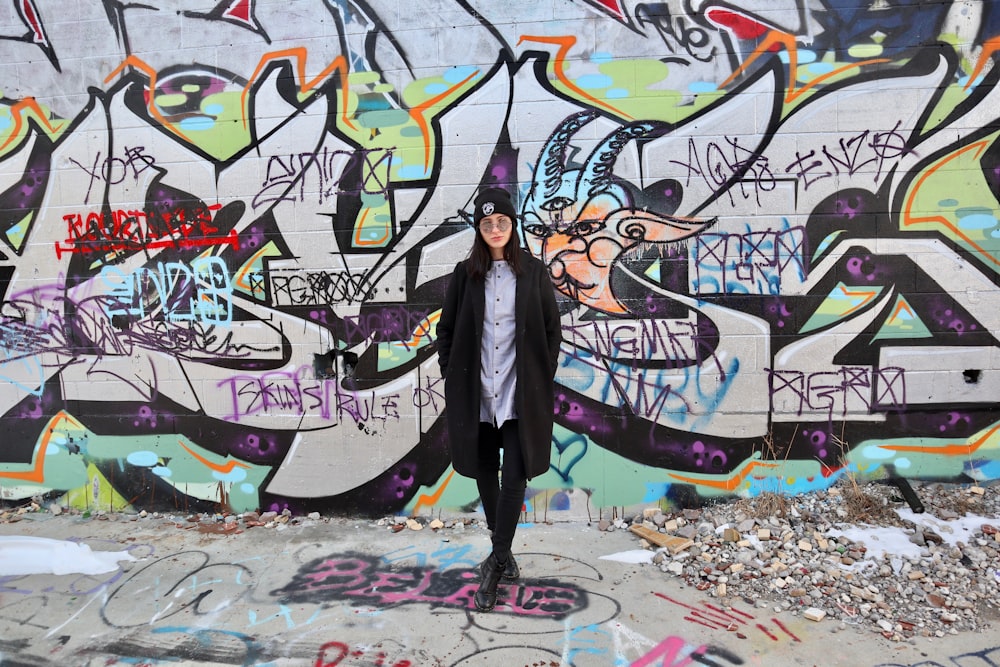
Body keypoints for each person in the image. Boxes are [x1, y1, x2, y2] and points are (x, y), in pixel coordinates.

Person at [436, 187, 562, 612]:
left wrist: (542, 378)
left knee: (516, 475)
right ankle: (505, 553)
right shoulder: (464, 274)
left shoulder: (534, 274)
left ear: (513, 226)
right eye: (486, 223)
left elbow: (551, 332)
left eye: (501, 222)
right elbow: (447, 330)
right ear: (479, 228)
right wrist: (450, 374)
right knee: (485, 468)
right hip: (476, 392)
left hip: (518, 392)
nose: (494, 229)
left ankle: (493, 563)